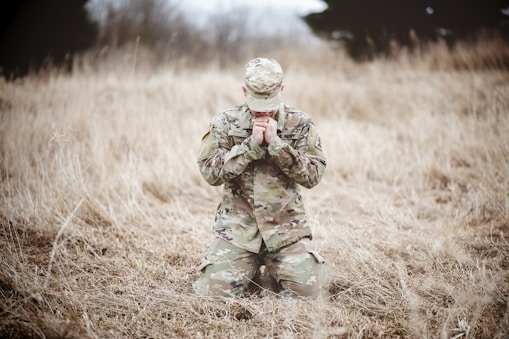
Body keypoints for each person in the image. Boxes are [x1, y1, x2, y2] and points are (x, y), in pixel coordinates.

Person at [193, 57, 328, 299]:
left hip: (286, 232)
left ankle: (275, 272)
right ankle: (248, 271)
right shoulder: (225, 123)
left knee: (312, 295)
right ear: (244, 91)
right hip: (238, 232)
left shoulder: (301, 124)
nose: (264, 111)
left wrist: (277, 146)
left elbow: (313, 175)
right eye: (257, 104)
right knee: (211, 298)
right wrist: (250, 147)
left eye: (270, 103)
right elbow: (210, 173)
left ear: (282, 90)